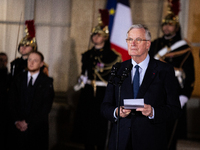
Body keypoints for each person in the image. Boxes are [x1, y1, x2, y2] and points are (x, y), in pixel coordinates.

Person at [101, 24, 181, 150]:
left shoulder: (164, 70)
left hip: (151, 141)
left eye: (138, 40)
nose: (133, 44)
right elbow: (105, 106)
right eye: (129, 40)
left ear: (148, 44)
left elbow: (175, 109)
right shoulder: (118, 69)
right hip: (120, 141)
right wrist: (116, 112)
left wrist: (153, 112)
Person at [72, 9, 121, 150]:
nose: (95, 37)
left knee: (100, 125)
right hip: (88, 92)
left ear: (105, 37)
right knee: (86, 123)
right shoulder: (87, 55)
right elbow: (85, 73)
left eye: (98, 35)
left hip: (102, 93)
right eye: (94, 34)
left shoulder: (112, 56)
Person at [149, 3, 195, 149]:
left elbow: (189, 76)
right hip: (155, 95)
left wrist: (184, 96)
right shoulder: (155, 44)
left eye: (170, 25)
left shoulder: (183, 48)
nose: (166, 28)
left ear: (176, 27)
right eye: (164, 25)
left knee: (169, 136)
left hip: (173, 95)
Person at [7, 51, 54, 150]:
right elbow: (11, 101)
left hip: (36, 129)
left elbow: (45, 106)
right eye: (29, 60)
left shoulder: (46, 82)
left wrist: (28, 122)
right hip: (18, 128)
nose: (31, 63)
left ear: (41, 64)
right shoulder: (18, 79)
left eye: (35, 60)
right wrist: (16, 121)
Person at [0, 52, 9, 150]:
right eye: (0, 60)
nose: (3, 63)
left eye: (5, 60)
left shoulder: (9, 77)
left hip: (4, 112)